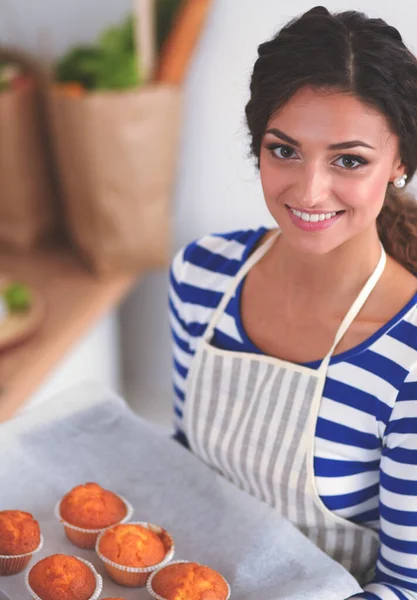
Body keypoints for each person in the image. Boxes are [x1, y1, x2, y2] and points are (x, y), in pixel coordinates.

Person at [168, 6, 417, 599]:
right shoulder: (201, 275)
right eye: (285, 150)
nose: (308, 190)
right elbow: (179, 474)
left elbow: (407, 587)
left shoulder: (408, 361)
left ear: (400, 164)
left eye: (349, 160)